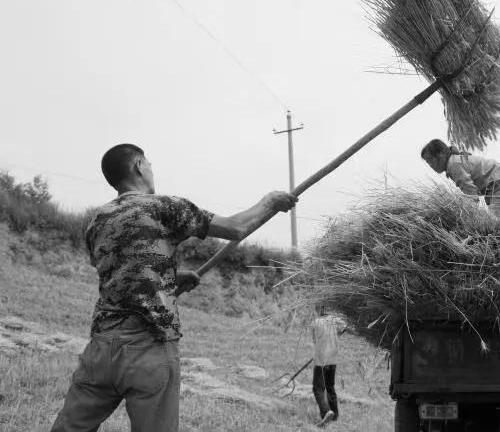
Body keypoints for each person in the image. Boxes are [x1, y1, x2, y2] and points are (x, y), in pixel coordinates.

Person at [51, 143, 297, 432]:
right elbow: (236, 228)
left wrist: (172, 278)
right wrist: (270, 202)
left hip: (103, 347)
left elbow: (121, 271)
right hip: (148, 346)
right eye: (150, 164)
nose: (152, 170)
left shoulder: (97, 221)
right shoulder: (164, 207)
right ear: (139, 165)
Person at [421, 138, 500, 215]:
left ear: (441, 153)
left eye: (430, 159)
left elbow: (472, 196)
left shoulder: (454, 164)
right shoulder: (457, 160)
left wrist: (461, 216)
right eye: (427, 162)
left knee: (496, 231)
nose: (430, 165)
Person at [311, 306, 348, 427]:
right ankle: (335, 415)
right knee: (330, 387)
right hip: (333, 359)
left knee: (318, 388)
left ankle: (326, 412)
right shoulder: (336, 320)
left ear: (320, 310)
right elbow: (344, 327)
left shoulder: (315, 322)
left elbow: (315, 341)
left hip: (321, 361)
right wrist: (335, 336)